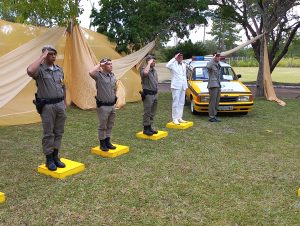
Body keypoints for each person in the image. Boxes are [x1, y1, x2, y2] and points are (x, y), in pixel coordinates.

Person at [27, 45, 67, 171]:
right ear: (44, 54)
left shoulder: (59, 70)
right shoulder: (40, 70)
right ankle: (49, 159)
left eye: (54, 54)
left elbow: (63, 86)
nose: (53, 56)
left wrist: (65, 102)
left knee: (59, 132)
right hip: (47, 106)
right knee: (48, 133)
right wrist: (42, 57)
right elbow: (29, 71)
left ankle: (55, 156)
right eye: (50, 54)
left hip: (60, 104)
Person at [89, 58, 117, 151]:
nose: (111, 65)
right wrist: (100, 64)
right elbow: (91, 72)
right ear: (104, 66)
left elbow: (114, 88)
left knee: (110, 124)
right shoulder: (99, 76)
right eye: (108, 64)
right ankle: (102, 143)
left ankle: (108, 141)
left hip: (112, 105)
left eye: (111, 64)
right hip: (103, 106)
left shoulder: (112, 76)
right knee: (103, 126)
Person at [166, 51, 188, 125]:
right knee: (176, 102)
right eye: (179, 55)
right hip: (176, 86)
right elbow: (167, 65)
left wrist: (186, 85)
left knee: (181, 102)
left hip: (183, 85)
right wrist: (174, 58)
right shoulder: (172, 64)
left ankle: (179, 117)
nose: (181, 57)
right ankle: (174, 118)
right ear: (176, 56)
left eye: (181, 55)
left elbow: (184, 75)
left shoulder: (184, 64)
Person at [140, 55, 158, 136]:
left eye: (154, 61)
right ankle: (145, 128)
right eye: (152, 61)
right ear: (148, 62)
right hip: (148, 94)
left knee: (152, 112)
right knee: (147, 112)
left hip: (154, 94)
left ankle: (149, 127)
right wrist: (148, 64)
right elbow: (145, 73)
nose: (154, 62)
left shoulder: (154, 70)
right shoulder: (144, 70)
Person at [206, 52, 222, 122]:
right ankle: (211, 116)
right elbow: (207, 66)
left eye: (219, 56)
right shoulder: (211, 63)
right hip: (213, 85)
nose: (218, 57)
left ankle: (214, 115)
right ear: (214, 57)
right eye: (217, 56)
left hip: (218, 84)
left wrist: (216, 59)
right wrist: (213, 58)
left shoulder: (217, 64)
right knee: (212, 102)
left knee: (216, 101)